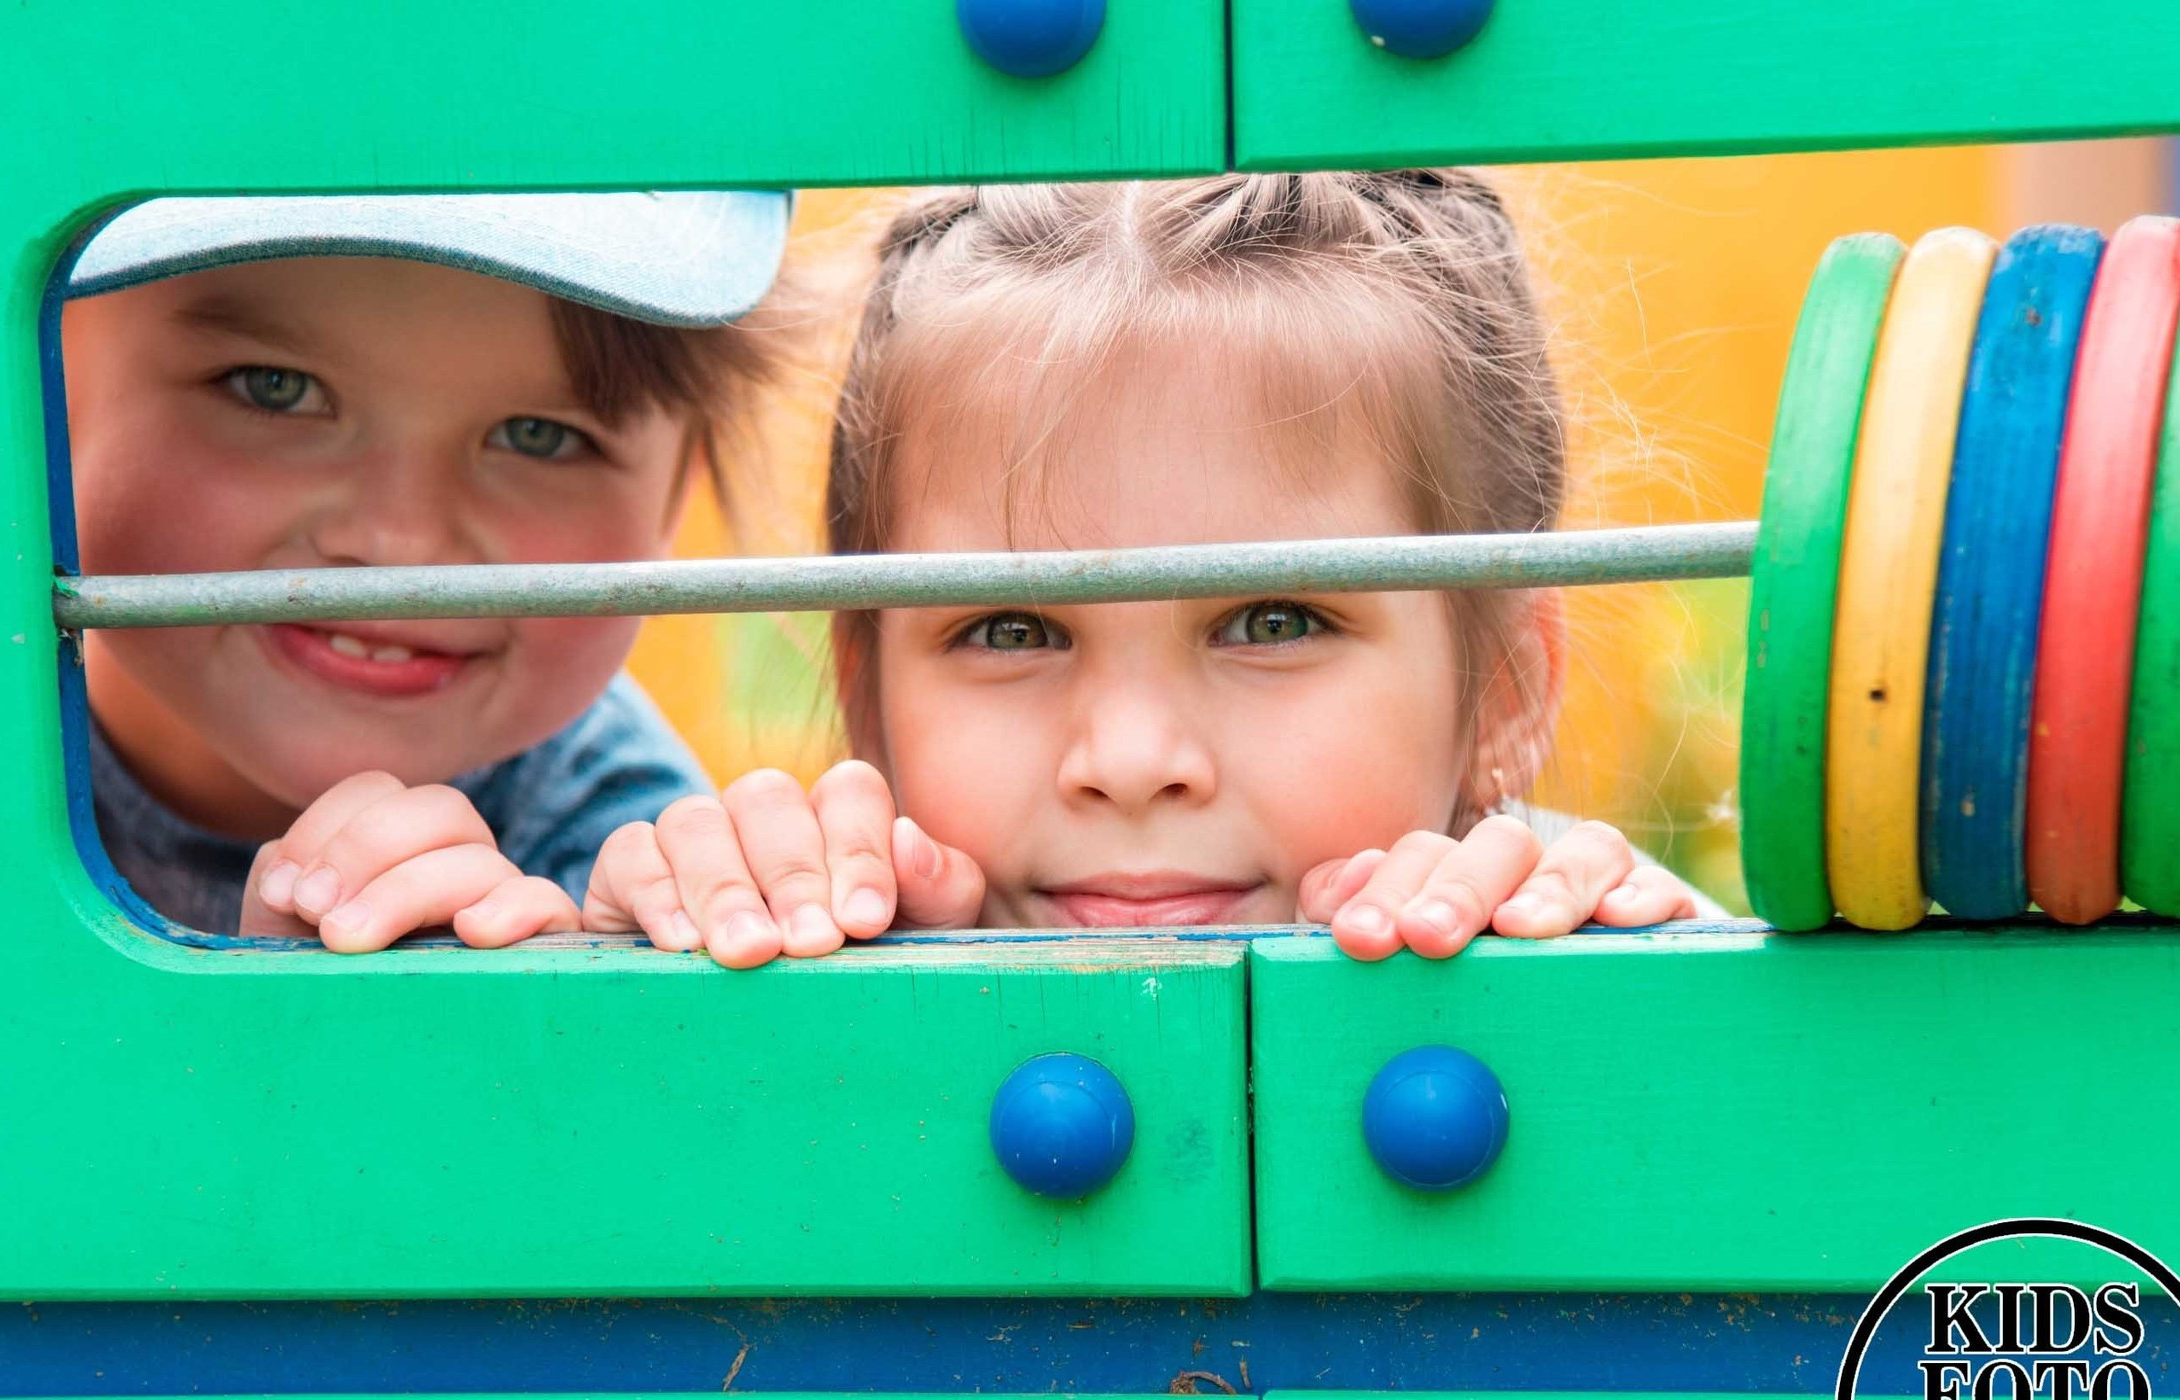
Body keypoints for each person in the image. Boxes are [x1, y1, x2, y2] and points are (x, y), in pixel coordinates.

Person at [579, 172, 1707, 967]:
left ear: (1504, 688)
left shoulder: (1602, 944)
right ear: (867, 689)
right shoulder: (798, 964)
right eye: (1012, 631)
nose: (1126, 762)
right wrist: (688, 953)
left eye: (1272, 621)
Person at [58, 192, 801, 949]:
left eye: (538, 437)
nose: (401, 543)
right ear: (46, 379)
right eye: (273, 387)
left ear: (682, 488)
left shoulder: (641, 894)